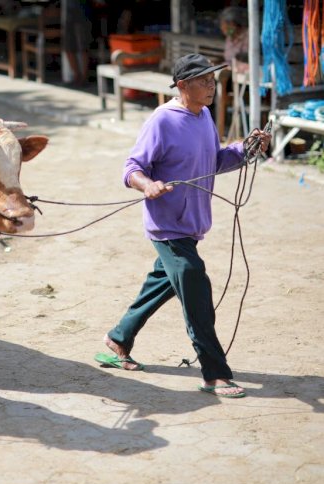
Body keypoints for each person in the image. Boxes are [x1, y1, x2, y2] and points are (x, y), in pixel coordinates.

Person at [97, 54, 270, 398]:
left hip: (192, 223)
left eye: (213, 80)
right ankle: (214, 373)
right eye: (204, 81)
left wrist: (245, 150)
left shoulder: (204, 116)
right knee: (195, 289)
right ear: (182, 86)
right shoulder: (162, 120)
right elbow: (132, 167)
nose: (212, 87)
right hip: (167, 225)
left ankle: (117, 338)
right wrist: (146, 184)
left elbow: (215, 160)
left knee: (165, 280)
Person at [219, 6, 249, 72]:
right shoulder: (229, 37)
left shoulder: (248, 36)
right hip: (229, 70)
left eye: (225, 25)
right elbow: (227, 58)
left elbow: (245, 59)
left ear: (234, 24)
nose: (222, 28)